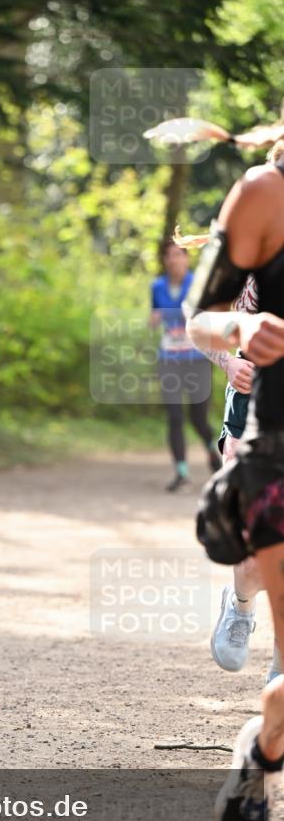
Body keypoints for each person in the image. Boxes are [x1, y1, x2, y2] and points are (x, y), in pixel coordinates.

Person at [185, 139, 284, 821]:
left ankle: (261, 748)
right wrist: (239, 332)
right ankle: (263, 751)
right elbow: (201, 316)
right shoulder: (263, 193)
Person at [186, 270, 281, 680]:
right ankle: (241, 602)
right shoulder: (252, 246)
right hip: (254, 400)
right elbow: (199, 321)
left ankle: (280, 664)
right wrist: (228, 361)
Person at [150, 242, 221, 493]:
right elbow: (154, 318)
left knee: (198, 417)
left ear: (186, 259)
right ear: (165, 260)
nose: (173, 260)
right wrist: (154, 319)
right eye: (169, 255)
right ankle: (182, 473)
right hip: (169, 358)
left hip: (196, 358)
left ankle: (213, 450)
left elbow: (208, 315)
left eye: (178, 255)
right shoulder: (156, 286)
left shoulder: (198, 283)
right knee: (174, 415)